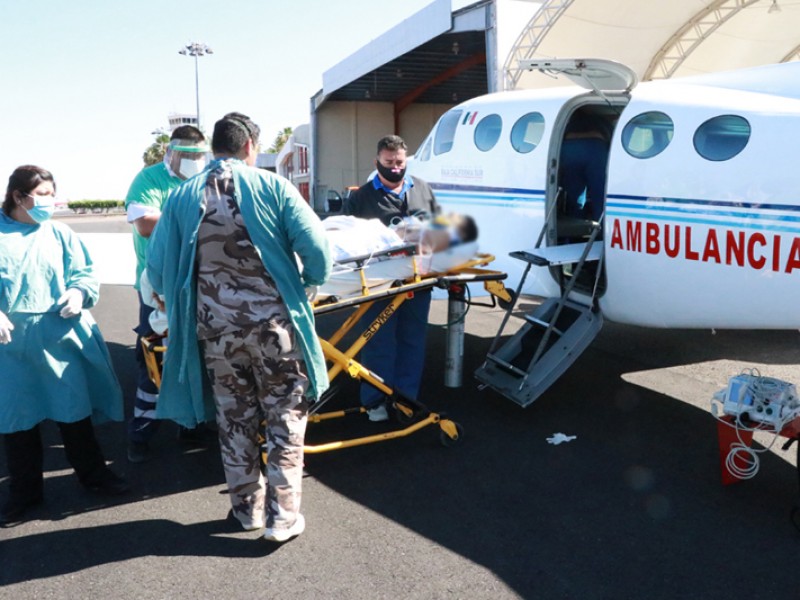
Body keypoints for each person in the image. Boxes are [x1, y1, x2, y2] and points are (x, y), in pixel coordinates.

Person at [147, 112, 331, 542]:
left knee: (235, 420)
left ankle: (246, 509)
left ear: (214, 148)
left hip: (216, 333)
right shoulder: (272, 186)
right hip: (274, 330)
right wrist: (308, 283)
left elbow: (156, 269)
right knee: (285, 417)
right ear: (250, 145)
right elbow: (317, 247)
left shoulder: (180, 197)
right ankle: (283, 517)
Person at [0, 165, 129, 526]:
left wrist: (78, 291)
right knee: (18, 421)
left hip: (59, 338)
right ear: (18, 196)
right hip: (11, 347)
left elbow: (85, 272)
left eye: (51, 194)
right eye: (42, 195)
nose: (49, 202)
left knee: (74, 412)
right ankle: (24, 495)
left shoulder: (58, 233)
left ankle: (95, 477)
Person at [125, 125, 209, 463]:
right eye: (187, 155)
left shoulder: (204, 180)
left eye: (199, 156)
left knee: (197, 359)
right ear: (169, 153)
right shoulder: (150, 180)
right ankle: (140, 434)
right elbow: (145, 222)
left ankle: (191, 425)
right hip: (157, 290)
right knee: (154, 364)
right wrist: (191, 220)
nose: (193, 161)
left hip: (198, 286)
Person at [343, 134, 440, 422]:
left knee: (412, 340)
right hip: (378, 284)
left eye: (399, 162)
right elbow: (344, 238)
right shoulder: (360, 197)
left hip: (416, 281)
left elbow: (438, 227)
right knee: (378, 342)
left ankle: (406, 398)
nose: (395, 167)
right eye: (389, 163)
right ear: (377, 163)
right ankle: (375, 401)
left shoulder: (422, 189)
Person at [558, 111, 610, 223]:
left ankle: (573, 233)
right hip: (595, 146)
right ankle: (601, 232)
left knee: (574, 197)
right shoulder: (604, 120)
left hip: (569, 146)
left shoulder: (571, 117)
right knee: (600, 196)